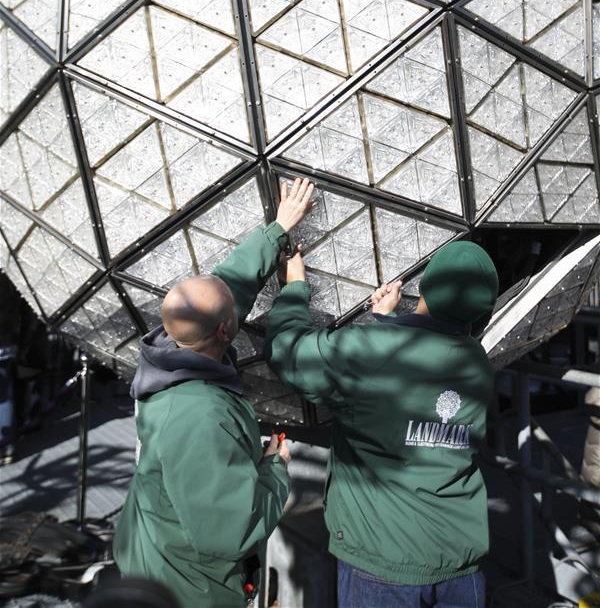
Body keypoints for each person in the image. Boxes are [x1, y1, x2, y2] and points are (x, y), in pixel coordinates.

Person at [113, 177, 315, 608]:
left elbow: (226, 288)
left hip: (157, 551)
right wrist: (274, 469)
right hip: (187, 588)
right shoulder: (200, 417)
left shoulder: (168, 350)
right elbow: (229, 530)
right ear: (226, 330)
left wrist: (276, 229)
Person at [266, 237, 498, 608]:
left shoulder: (371, 350)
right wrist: (388, 324)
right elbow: (415, 376)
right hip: (460, 564)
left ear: (425, 286)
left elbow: (289, 352)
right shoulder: (477, 363)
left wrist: (294, 285)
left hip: (384, 566)